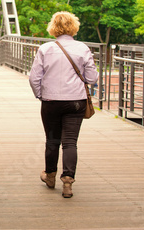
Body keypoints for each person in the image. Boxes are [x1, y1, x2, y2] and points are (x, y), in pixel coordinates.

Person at [28, 11, 98, 198]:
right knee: (70, 142)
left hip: (51, 101)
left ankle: (50, 176)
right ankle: (68, 181)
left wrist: (41, 95)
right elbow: (92, 77)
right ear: (74, 27)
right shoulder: (83, 48)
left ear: (53, 27)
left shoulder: (45, 49)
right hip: (76, 101)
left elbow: (34, 78)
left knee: (52, 140)